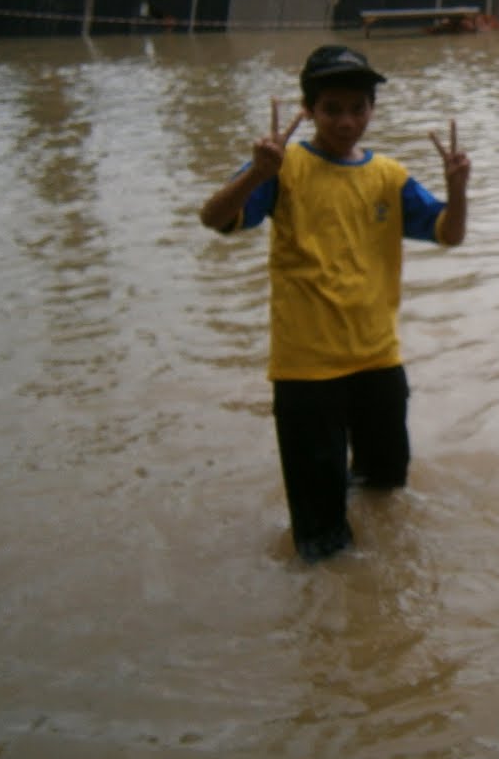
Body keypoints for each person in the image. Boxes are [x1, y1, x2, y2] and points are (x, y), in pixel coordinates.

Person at [199, 45, 470, 563]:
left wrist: (458, 191)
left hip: (378, 361)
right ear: (308, 111)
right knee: (320, 538)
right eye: (332, 109)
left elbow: (449, 235)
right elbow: (213, 218)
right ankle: (325, 627)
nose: (346, 122)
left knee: (384, 491)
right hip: (306, 370)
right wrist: (256, 174)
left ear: (371, 110)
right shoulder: (282, 167)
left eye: (357, 108)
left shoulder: (388, 176)